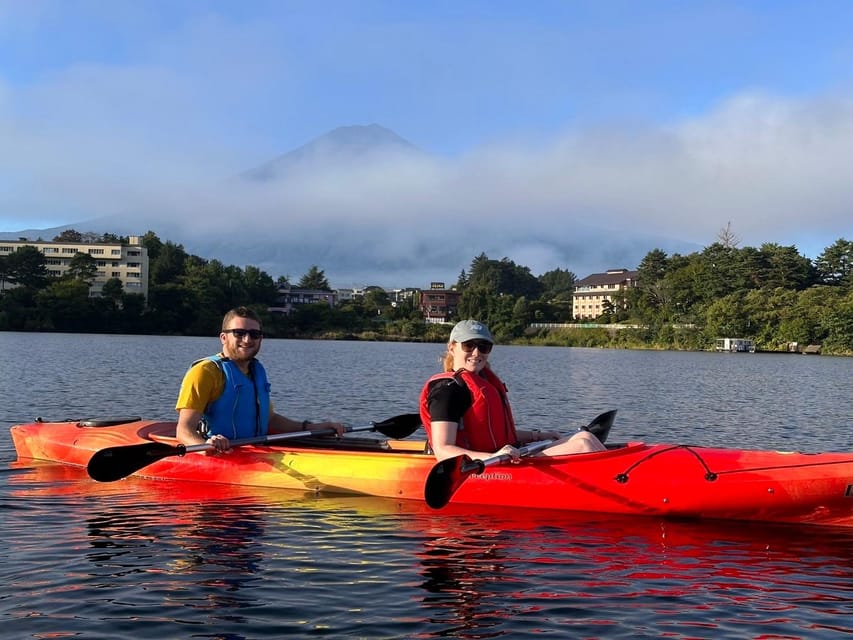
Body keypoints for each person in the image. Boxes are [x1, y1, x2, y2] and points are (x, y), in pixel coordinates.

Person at [419, 319, 606, 463]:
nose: (476, 353)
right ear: (452, 347)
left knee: (585, 436)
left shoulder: (484, 381)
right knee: (583, 445)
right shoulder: (447, 391)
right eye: (469, 345)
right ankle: (616, 481)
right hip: (485, 464)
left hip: (505, 456)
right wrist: (492, 457)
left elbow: (499, 433)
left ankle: (618, 476)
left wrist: (539, 436)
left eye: (483, 347)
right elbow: (443, 451)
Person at [176, 306, 344, 452]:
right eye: (239, 333)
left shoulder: (257, 370)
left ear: (261, 338)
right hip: (221, 453)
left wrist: (311, 427)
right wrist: (205, 446)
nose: (247, 340)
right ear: (224, 337)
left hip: (255, 451)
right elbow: (184, 430)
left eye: (254, 334)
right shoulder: (205, 371)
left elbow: (269, 419)